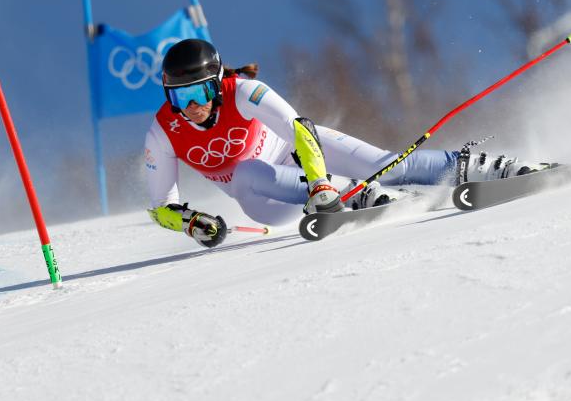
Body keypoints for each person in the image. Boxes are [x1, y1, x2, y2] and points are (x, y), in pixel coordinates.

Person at [145, 39, 547, 248]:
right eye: (179, 96)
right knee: (247, 171)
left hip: (302, 158)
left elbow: (298, 128)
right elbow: (161, 206)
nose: (191, 106)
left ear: (216, 84)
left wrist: (320, 183)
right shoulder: (164, 131)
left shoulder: (244, 92)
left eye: (198, 92)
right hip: (266, 198)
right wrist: (193, 224)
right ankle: (361, 197)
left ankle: (490, 169)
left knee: (385, 164)